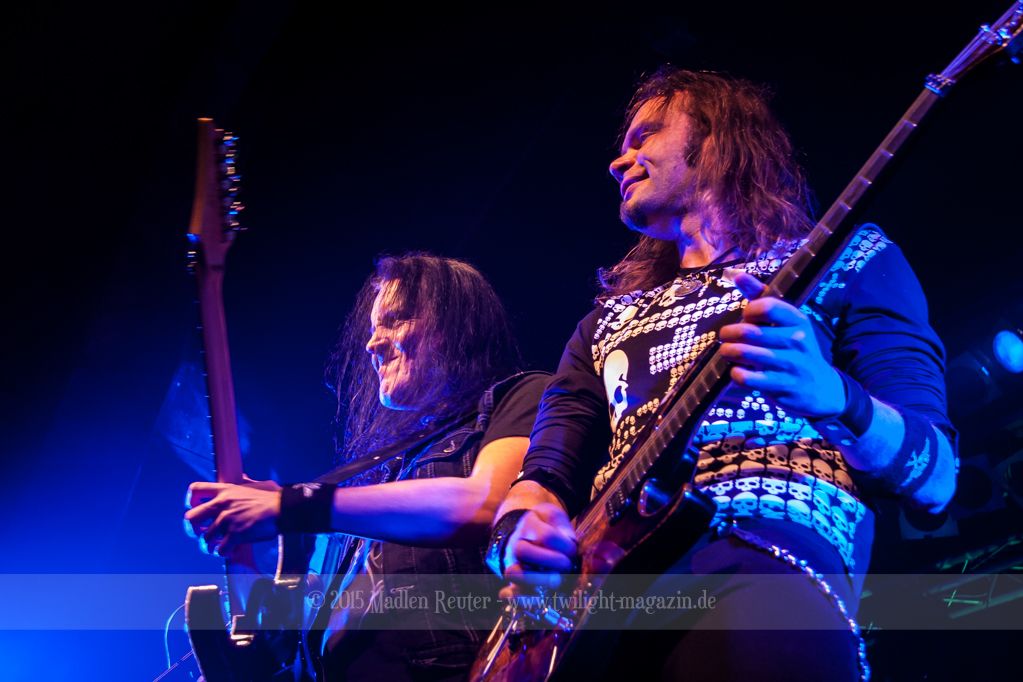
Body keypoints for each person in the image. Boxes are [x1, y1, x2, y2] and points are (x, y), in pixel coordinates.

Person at [488, 68, 958, 681]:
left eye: (645, 136)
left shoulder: (848, 258)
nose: (617, 161)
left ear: (716, 139)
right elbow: (541, 477)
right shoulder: (603, 324)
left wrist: (835, 397)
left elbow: (938, 477)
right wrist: (517, 535)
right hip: (597, 605)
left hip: (764, 563)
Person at [184, 253, 548, 681]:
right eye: (374, 328)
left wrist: (293, 505)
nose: (373, 344)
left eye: (394, 321)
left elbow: (487, 503)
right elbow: (297, 643)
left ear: (457, 325)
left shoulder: (521, 397)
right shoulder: (378, 475)